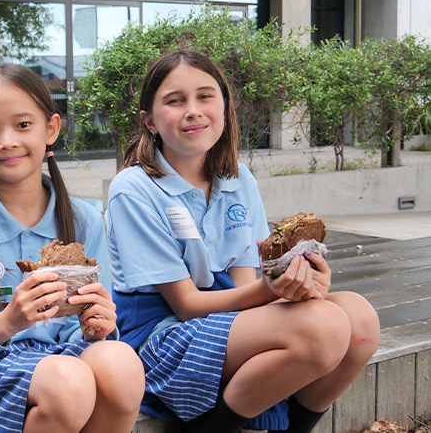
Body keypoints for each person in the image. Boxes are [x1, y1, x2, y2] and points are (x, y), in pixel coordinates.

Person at [106, 49, 380, 433]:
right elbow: (186, 305)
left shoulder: (238, 178)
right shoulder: (133, 189)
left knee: (357, 316)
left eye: (205, 96)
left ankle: (292, 428)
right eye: (175, 100)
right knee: (324, 327)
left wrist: (302, 285)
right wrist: (272, 294)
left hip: (223, 317)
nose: (193, 110)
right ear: (149, 121)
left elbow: (245, 287)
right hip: (158, 336)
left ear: (224, 107)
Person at [0, 64, 144, 433]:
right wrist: (8, 321)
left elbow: (90, 331)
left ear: (51, 129)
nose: (7, 141)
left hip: (61, 362)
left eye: (23, 125)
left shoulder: (85, 219)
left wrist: (97, 326)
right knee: (67, 381)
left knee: (121, 363)